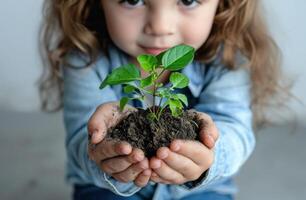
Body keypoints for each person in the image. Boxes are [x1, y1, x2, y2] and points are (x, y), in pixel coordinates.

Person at [39, 0, 283, 199]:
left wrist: (209, 155)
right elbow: (80, 139)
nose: (159, 26)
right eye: (133, 0)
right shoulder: (85, 59)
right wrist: (99, 150)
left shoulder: (227, 59)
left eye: (187, 0)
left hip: (200, 190)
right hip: (107, 186)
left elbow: (236, 129)